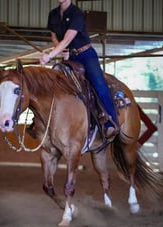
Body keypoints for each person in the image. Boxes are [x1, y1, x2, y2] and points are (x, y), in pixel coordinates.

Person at [39, 0, 118, 140]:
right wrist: (61, 49)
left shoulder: (77, 14)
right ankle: (42, 123)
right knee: (53, 85)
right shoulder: (53, 14)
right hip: (68, 57)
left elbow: (68, 38)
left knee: (99, 84)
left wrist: (50, 55)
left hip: (85, 55)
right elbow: (54, 37)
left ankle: (110, 123)